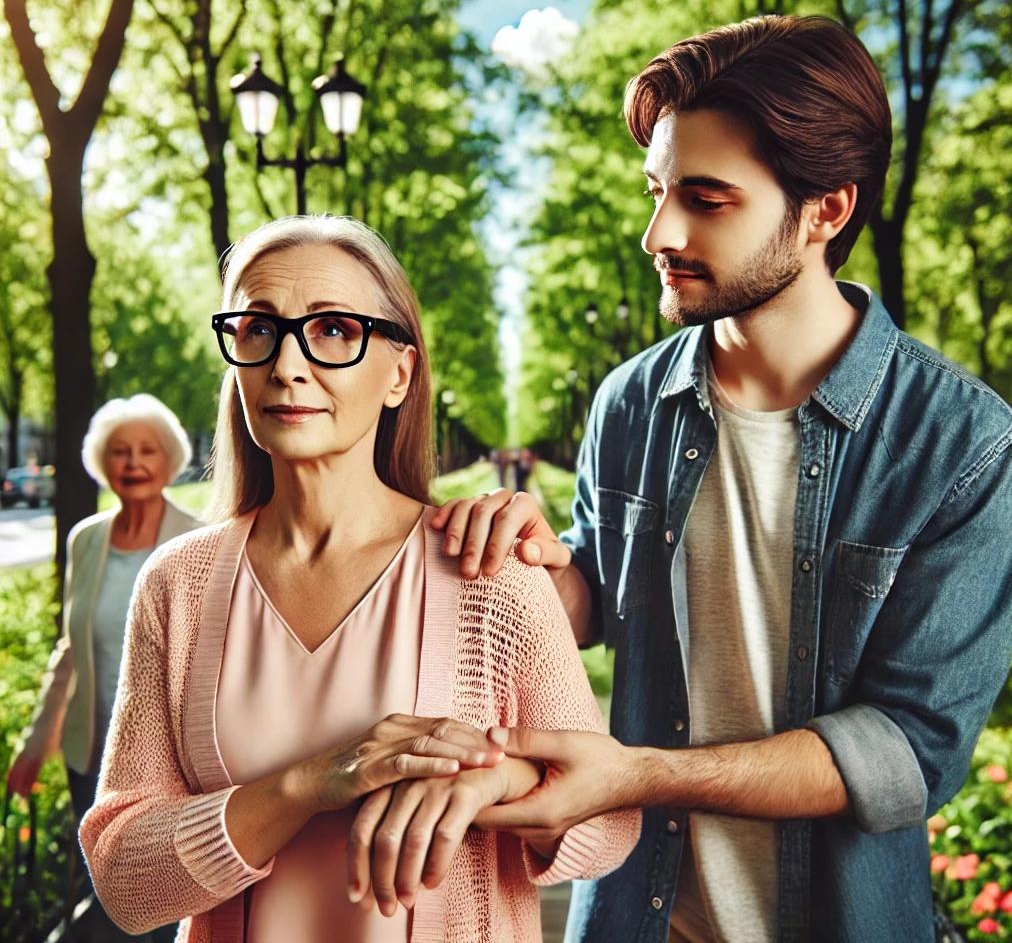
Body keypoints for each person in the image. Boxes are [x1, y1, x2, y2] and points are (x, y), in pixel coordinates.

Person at [435, 15, 1012, 943]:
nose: (656, 232)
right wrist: (532, 563)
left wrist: (642, 775)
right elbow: (601, 601)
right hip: (640, 918)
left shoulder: (964, 446)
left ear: (827, 209)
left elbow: (908, 751)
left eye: (706, 199)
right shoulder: (631, 400)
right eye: (658, 190)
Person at [78, 215, 639, 943]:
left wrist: (496, 782)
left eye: (335, 330)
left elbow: (610, 825)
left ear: (400, 373)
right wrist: (311, 783)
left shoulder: (487, 575)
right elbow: (124, 877)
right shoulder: (177, 585)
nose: (287, 366)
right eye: (258, 329)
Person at [7, 393, 200, 943]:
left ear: (168, 460)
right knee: (106, 885)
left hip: (170, 760)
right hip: (92, 752)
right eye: (119, 451)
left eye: (146, 451)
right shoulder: (86, 539)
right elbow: (71, 650)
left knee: (158, 897)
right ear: (101, 461)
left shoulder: (199, 538)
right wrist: (37, 740)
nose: (132, 463)